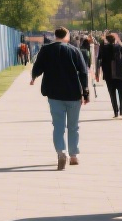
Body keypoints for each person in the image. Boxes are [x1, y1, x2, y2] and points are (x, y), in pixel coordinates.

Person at [31, 27, 90, 170]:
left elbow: (38, 66)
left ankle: (61, 151)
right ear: (67, 36)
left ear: (55, 36)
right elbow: (83, 71)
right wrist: (85, 92)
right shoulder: (75, 50)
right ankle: (74, 155)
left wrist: (33, 77)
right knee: (73, 126)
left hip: (54, 94)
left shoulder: (46, 50)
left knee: (58, 126)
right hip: (73, 94)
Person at [95, 33, 122, 119]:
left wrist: (97, 73)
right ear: (115, 40)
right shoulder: (120, 48)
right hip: (120, 75)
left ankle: (116, 112)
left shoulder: (104, 49)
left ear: (107, 41)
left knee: (112, 95)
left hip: (109, 76)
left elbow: (98, 60)